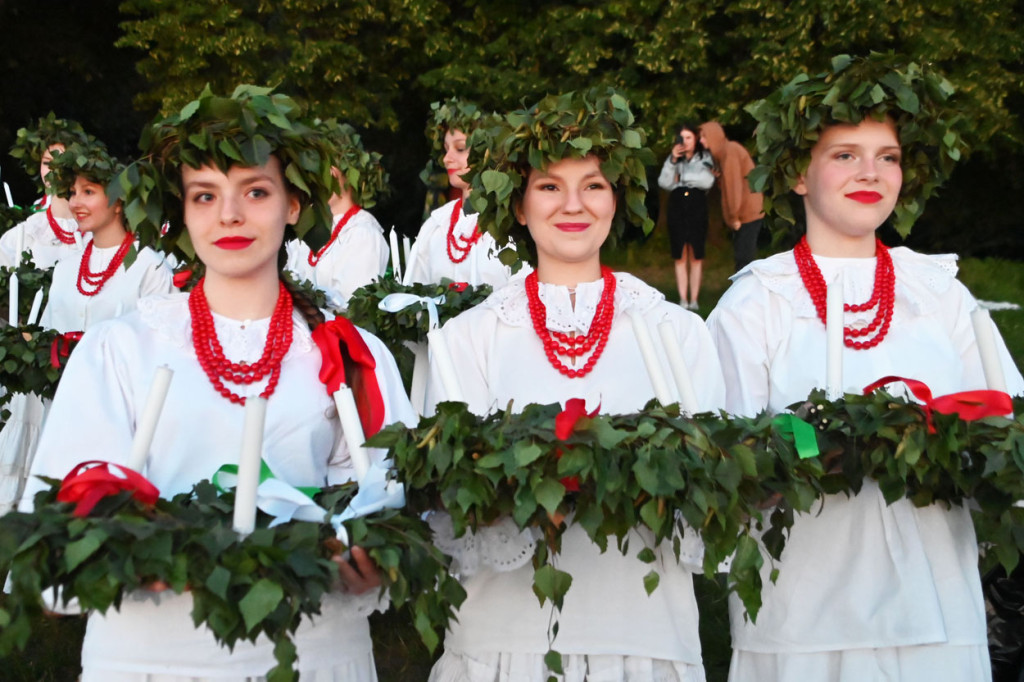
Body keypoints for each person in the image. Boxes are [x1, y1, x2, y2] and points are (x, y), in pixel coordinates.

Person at [23, 86, 416, 681]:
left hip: (307, 649)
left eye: (255, 192)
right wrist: (122, 550)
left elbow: (384, 505)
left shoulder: (347, 354)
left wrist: (369, 555)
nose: (229, 215)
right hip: (152, 653)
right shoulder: (123, 349)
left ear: (292, 204)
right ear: (182, 211)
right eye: (205, 196)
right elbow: (53, 537)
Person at [706, 55, 1024, 682]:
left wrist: (950, 441)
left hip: (934, 602)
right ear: (799, 174)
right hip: (803, 611)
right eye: (845, 155)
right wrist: (809, 439)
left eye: (888, 156)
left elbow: (1002, 422)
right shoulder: (758, 300)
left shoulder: (938, 293)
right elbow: (726, 452)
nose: (870, 173)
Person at [426, 89, 726, 682]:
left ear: (616, 198)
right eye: (548, 186)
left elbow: (715, 498)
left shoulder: (676, 332)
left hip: (645, 635)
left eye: (592, 184)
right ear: (518, 204)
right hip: (504, 640)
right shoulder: (469, 339)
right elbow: (443, 507)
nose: (572, 205)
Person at [40, 139, 174, 332]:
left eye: (88, 191)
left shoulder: (150, 268)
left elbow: (164, 345)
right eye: (72, 193)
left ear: (118, 202)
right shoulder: (64, 269)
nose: (75, 203)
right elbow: (47, 337)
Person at [403, 98, 524, 287]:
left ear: (487, 153)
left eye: (459, 149)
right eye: (446, 149)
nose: (446, 159)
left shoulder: (512, 221)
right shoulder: (437, 224)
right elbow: (415, 292)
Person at [284, 120, 390, 311]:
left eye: (323, 170)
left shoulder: (363, 234)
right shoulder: (304, 227)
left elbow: (353, 308)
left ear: (344, 174)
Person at [2, 114, 90, 269]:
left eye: (62, 162)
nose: (53, 169)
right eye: (47, 162)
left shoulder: (97, 230)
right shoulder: (26, 235)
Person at [657, 123, 715, 310]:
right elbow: (664, 182)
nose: (685, 142)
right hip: (677, 206)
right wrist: (673, 159)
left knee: (696, 254)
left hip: (697, 204)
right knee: (680, 254)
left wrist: (682, 180)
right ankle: (683, 299)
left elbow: (707, 181)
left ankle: (694, 299)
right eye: (682, 138)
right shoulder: (674, 159)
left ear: (696, 139)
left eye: (689, 138)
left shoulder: (705, 157)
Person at [699, 121, 764, 272]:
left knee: (744, 262)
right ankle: (744, 293)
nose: (701, 140)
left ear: (714, 136)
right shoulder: (725, 153)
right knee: (743, 259)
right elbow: (733, 181)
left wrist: (734, 216)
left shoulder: (730, 152)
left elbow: (734, 186)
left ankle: (745, 294)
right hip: (747, 213)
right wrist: (720, 177)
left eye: (704, 136)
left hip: (746, 214)